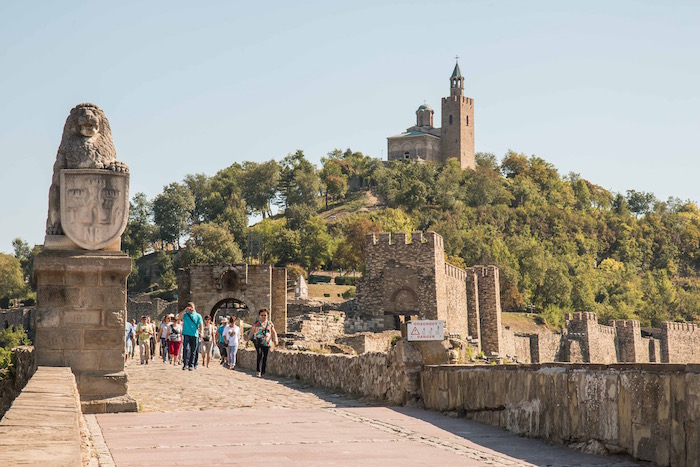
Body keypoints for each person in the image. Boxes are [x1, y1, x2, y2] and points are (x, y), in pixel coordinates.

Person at [246, 308, 278, 377]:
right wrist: (247, 340)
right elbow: (251, 332)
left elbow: (273, 332)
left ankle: (263, 372)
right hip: (258, 341)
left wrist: (276, 340)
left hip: (267, 342)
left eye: (265, 315)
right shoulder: (257, 323)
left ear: (267, 316)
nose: (263, 316)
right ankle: (258, 370)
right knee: (259, 354)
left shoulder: (270, 323)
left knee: (265, 357)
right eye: (262, 315)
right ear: (259, 316)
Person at [178, 302, 203, 371]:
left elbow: (201, 324)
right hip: (186, 334)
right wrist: (185, 310)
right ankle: (185, 364)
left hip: (194, 334)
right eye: (189, 306)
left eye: (191, 306)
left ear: (194, 307)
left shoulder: (198, 315)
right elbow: (178, 317)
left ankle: (191, 365)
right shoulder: (185, 315)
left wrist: (202, 332)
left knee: (193, 350)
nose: (190, 308)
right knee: (186, 348)